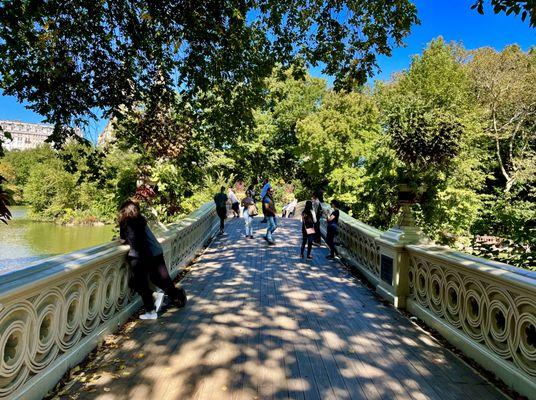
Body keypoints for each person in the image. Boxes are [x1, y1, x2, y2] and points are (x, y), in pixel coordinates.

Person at [119, 200, 187, 320]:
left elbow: (124, 239)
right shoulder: (141, 219)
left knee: (146, 281)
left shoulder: (127, 222)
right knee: (160, 279)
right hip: (155, 250)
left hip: (147, 253)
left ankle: (169, 297)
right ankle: (176, 296)